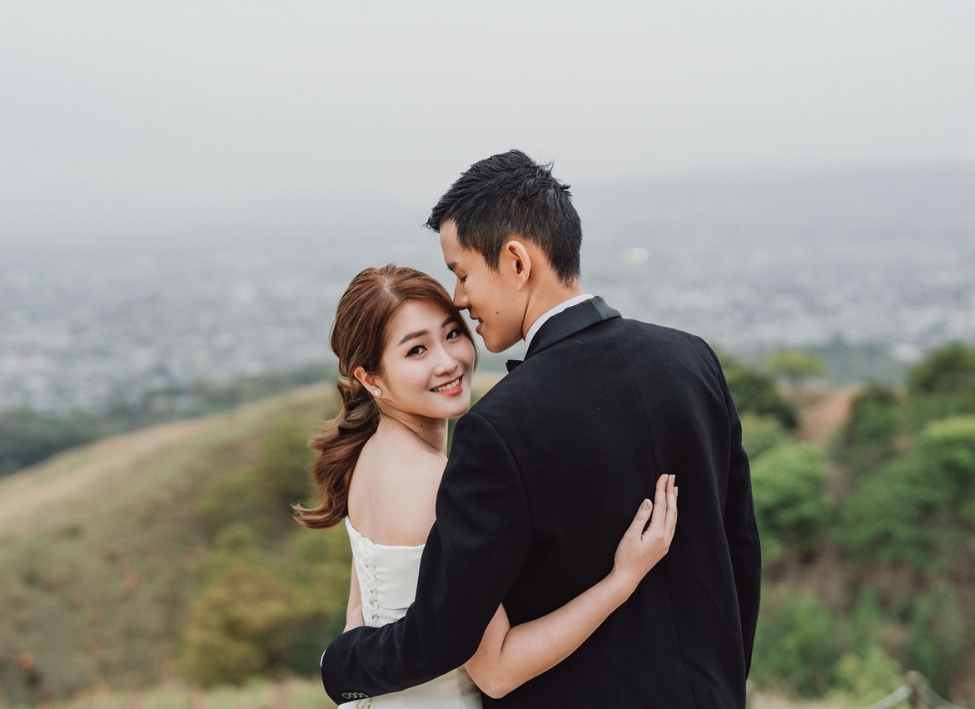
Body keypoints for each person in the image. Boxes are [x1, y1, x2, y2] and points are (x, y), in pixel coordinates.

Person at [320, 150, 760, 708]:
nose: (459, 298)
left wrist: (341, 665)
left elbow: (452, 639)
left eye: (462, 274)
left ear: (517, 261)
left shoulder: (498, 427)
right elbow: (738, 550)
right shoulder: (693, 360)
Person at [297, 264, 679, 707]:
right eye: (416, 350)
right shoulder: (434, 482)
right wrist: (624, 577)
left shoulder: (366, 457)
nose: (447, 362)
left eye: (452, 334)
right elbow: (496, 671)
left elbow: (357, 621)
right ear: (371, 378)